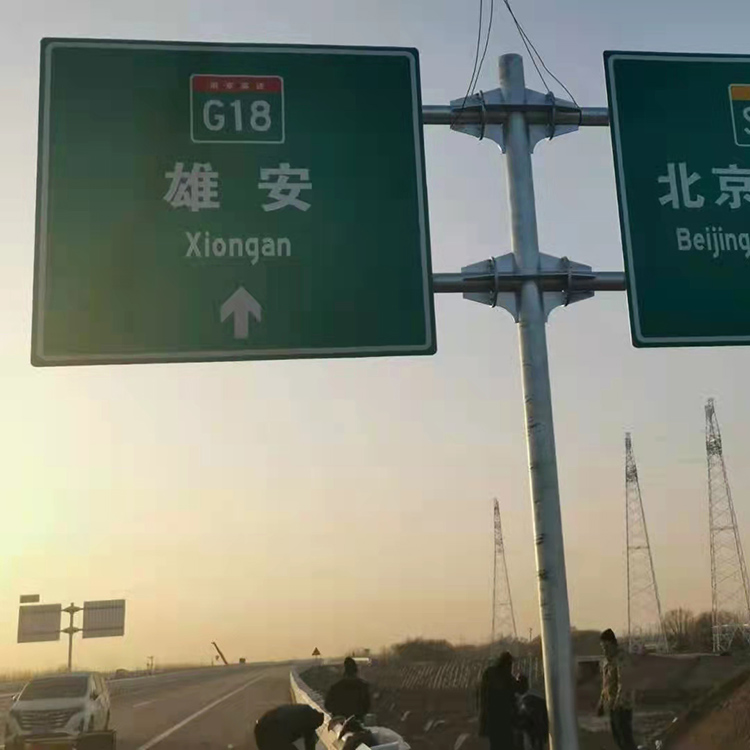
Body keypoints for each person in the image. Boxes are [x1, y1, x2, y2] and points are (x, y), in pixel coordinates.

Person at [597, 629, 637, 750]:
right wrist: (601, 703)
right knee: (618, 739)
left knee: (626, 740)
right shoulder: (607, 662)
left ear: (614, 645)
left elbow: (623, 684)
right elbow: (606, 685)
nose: (605, 650)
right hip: (613, 706)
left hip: (622, 706)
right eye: (603, 647)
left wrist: (617, 704)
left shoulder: (621, 659)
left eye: (607, 647)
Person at [479, 651, 523, 750]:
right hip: (504, 721)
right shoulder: (504, 676)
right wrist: (521, 680)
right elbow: (519, 689)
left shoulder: (489, 673)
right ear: (507, 664)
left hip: (492, 721)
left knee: (496, 745)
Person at [254, 704, 324, 750]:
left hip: (261, 725)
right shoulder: (309, 722)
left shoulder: (306, 709)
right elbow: (310, 742)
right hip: (271, 730)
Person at [324, 657, 371, 721]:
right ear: (356, 671)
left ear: (345, 671)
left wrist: (338, 712)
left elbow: (328, 705)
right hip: (357, 721)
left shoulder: (336, 687)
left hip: (340, 722)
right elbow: (367, 706)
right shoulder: (363, 686)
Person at [515, 675, 548, 750]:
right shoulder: (538, 699)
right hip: (540, 737)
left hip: (535, 739)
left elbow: (526, 722)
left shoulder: (527, 702)